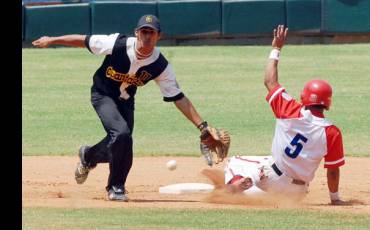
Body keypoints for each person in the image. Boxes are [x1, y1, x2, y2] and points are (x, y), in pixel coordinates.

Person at [32, 14, 219, 202]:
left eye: (151, 33)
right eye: (144, 31)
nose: (147, 36)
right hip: (102, 94)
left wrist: (202, 126)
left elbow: (178, 97)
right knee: (121, 134)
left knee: (124, 142)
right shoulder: (116, 43)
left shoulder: (160, 65)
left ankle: (88, 155)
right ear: (136, 33)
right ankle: (116, 187)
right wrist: (52, 40)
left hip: (126, 101)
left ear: (159, 36)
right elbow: (83, 40)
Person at [223, 25, 347, 205]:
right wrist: (335, 199)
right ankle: (264, 197)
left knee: (235, 162)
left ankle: (244, 188)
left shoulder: (289, 109)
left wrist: (276, 48)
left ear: (304, 97)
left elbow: (269, 81)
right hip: (297, 191)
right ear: (327, 102)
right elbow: (333, 170)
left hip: (271, 177)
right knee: (274, 168)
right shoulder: (332, 132)